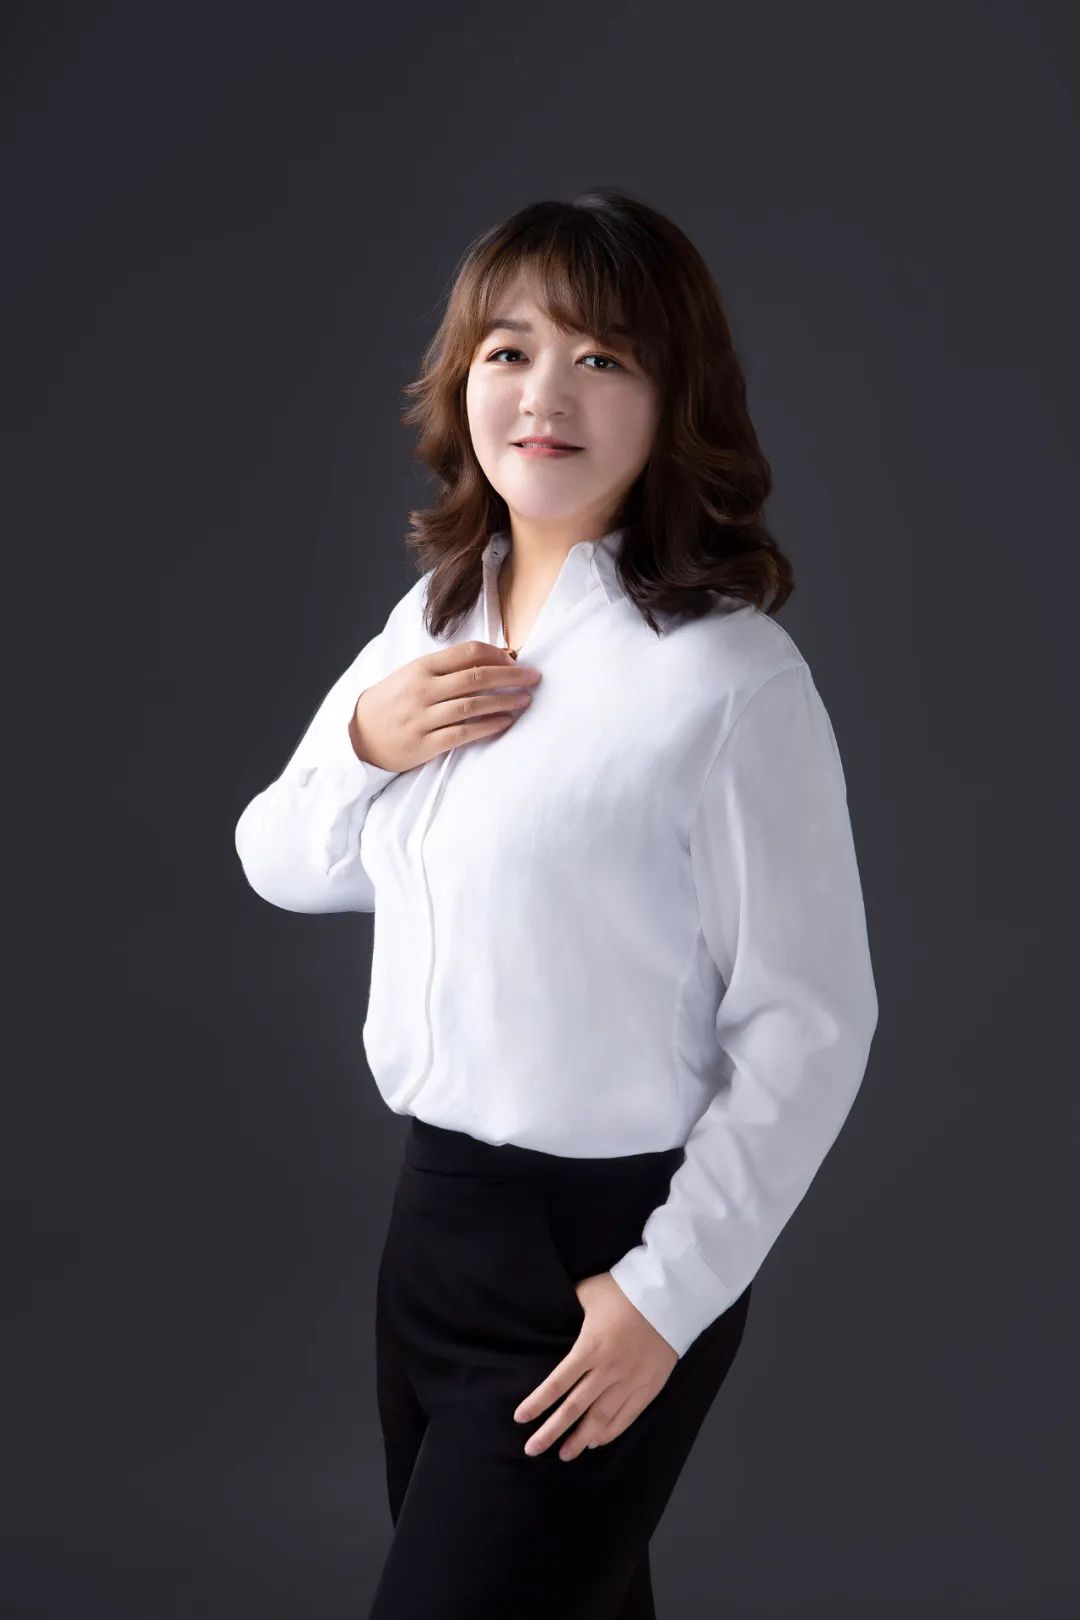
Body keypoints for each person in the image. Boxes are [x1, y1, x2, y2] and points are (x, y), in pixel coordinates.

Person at [234, 187, 879, 1619]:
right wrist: (365, 744)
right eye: (509, 350)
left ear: (674, 397)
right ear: (462, 375)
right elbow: (282, 861)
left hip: (606, 1251)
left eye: (602, 358)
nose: (545, 394)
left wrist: (667, 1294)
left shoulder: (729, 680)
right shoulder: (432, 623)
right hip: (432, 1230)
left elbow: (814, 1024)